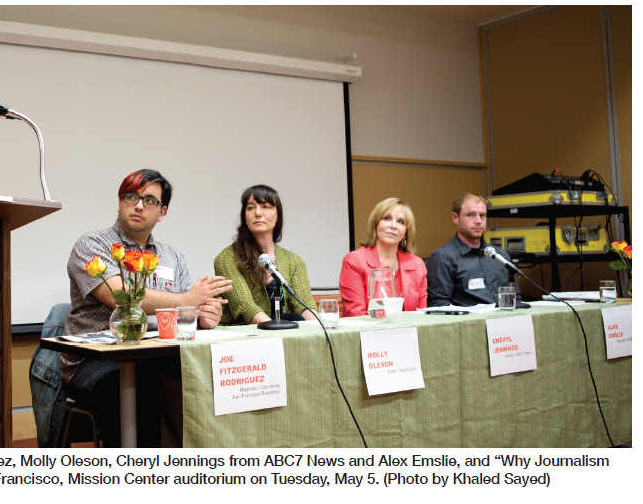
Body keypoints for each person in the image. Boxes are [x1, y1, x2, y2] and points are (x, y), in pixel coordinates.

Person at [61, 169, 232, 446]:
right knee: (138, 396)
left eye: (150, 200)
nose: (139, 205)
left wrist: (203, 316)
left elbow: (185, 312)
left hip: (158, 357)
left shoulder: (173, 257)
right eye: (131, 197)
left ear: (162, 212)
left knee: (209, 384)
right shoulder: (92, 244)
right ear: (119, 203)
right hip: (97, 361)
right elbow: (120, 296)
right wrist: (188, 300)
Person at [214, 185, 316, 325]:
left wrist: (319, 327)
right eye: (251, 208)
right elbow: (246, 308)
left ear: (277, 216)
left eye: (266, 206)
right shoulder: (226, 259)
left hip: (285, 336)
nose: (258, 213)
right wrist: (278, 333)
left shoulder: (294, 261)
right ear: (244, 217)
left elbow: (304, 306)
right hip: (244, 339)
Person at [426, 193, 522, 307]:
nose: (478, 221)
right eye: (470, 215)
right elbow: (439, 305)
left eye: (482, 215)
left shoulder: (500, 256)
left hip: (505, 321)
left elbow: (517, 299)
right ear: (455, 218)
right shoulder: (442, 257)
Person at [339, 198, 427, 317]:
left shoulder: (417, 265)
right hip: (367, 333)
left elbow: (421, 316)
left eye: (401, 221)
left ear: (406, 233)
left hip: (408, 333)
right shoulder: (354, 261)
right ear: (376, 224)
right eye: (387, 218)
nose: (393, 226)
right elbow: (356, 315)